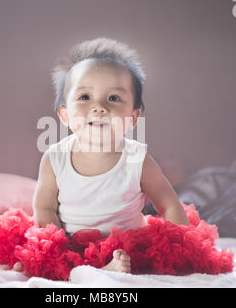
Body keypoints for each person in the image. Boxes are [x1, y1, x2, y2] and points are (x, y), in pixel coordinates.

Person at [32, 37, 189, 274]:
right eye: (84, 97)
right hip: (72, 246)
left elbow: (169, 205)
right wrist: (56, 247)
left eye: (114, 98)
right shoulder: (55, 158)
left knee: (136, 260)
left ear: (134, 117)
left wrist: (181, 248)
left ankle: (112, 268)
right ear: (64, 115)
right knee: (43, 261)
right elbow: (44, 208)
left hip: (128, 247)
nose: (100, 107)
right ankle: (86, 270)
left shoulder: (137, 159)